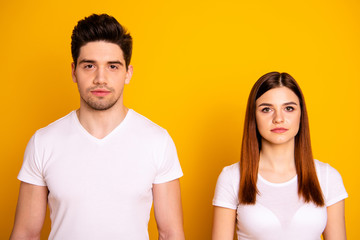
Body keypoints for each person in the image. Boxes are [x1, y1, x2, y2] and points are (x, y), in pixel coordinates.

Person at [10, 14, 185, 240]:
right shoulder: (43, 142)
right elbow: (25, 234)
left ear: (128, 73)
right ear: (74, 71)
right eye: (89, 65)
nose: (100, 78)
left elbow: (171, 233)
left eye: (112, 66)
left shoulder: (157, 141)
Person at [212, 72, 347, 240]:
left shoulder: (328, 177)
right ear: (254, 116)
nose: (279, 118)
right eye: (266, 109)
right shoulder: (231, 177)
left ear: (301, 114)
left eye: (288, 108)